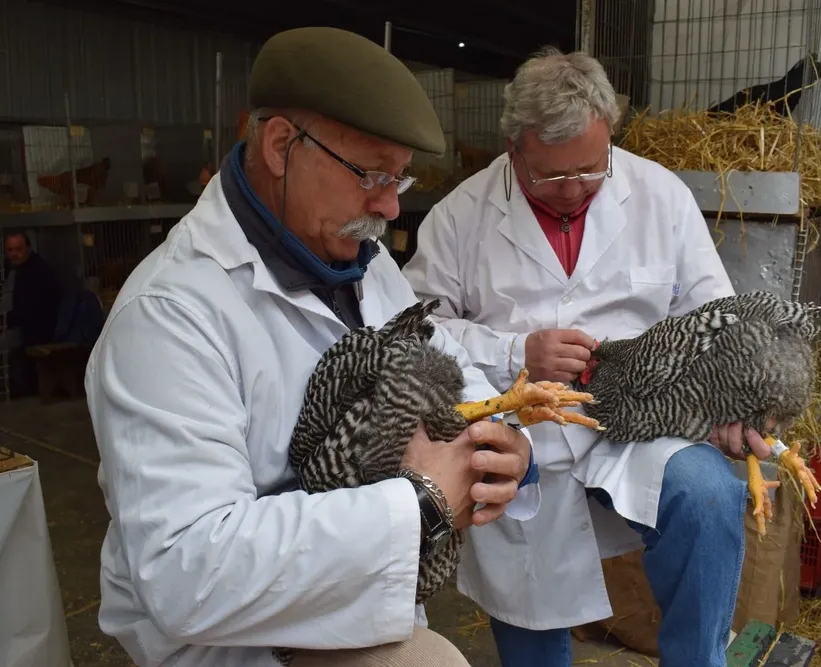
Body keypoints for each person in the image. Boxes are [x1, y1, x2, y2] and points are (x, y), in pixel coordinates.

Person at [84, 26, 537, 667]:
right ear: (279, 146)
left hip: (354, 607)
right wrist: (420, 504)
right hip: (240, 643)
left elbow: (446, 367)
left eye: (399, 181)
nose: (387, 206)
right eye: (372, 175)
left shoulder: (363, 262)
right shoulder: (168, 314)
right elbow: (187, 571)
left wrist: (500, 436)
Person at [401, 47, 774, 667]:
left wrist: (731, 404)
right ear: (514, 147)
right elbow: (415, 330)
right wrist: (516, 352)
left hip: (638, 418)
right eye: (550, 176)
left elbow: (717, 319)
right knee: (530, 600)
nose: (574, 190)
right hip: (524, 430)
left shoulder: (661, 196)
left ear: (610, 137)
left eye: (591, 168)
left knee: (707, 494)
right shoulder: (460, 217)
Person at [0, 231, 62, 395]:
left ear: (28, 249)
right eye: (10, 250)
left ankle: (7, 390)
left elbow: (32, 311)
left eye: (18, 249)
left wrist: (3, 321)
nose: (14, 254)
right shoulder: (10, 269)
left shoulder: (37, 271)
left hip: (34, 328)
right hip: (12, 322)